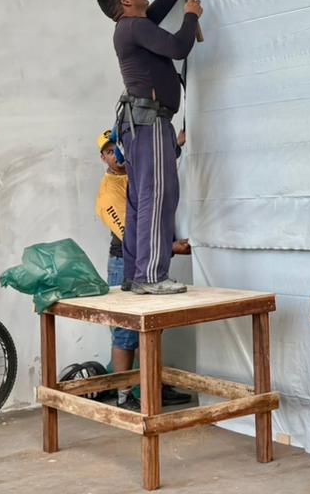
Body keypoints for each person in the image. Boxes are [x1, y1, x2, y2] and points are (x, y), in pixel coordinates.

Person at [96, 0, 201, 295]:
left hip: (138, 124)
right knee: (158, 195)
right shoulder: (134, 27)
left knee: (142, 198)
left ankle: (137, 275)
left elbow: (159, 4)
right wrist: (191, 16)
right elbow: (176, 47)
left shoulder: (133, 27)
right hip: (150, 121)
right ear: (125, 3)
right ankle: (152, 276)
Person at [94, 130, 192, 410]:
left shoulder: (136, 173)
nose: (118, 156)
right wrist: (171, 247)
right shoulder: (109, 193)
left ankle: (153, 387)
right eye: (111, 151)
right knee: (125, 333)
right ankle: (124, 396)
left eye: (120, 148)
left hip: (152, 259)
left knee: (152, 328)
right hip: (126, 264)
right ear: (103, 158)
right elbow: (131, 235)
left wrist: (174, 143)